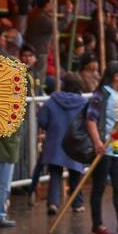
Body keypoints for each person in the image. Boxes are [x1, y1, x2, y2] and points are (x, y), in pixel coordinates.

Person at [84, 61, 118, 234]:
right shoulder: (101, 95)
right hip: (104, 147)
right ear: (116, 76)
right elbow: (91, 119)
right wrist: (97, 142)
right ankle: (97, 223)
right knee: (99, 186)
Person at [37, 72, 88, 215]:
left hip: (55, 142)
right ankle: (77, 204)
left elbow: (42, 120)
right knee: (75, 173)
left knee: (55, 173)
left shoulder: (52, 100)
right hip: (75, 143)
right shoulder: (83, 103)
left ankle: (53, 203)